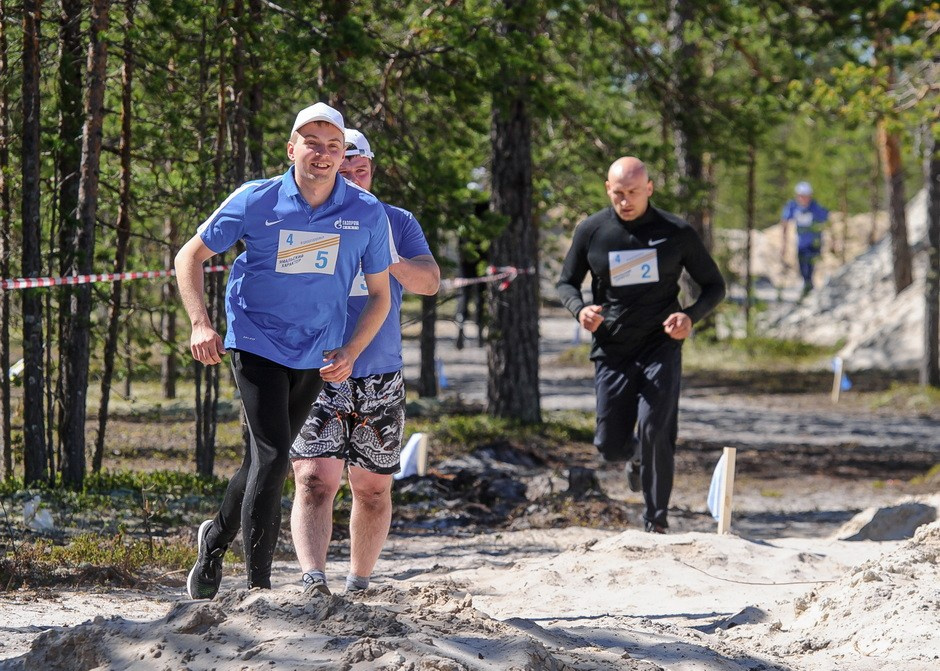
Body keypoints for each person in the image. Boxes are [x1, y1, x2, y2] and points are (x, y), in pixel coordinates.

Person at [176, 103, 393, 600]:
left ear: (343, 157)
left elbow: (380, 295)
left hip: (316, 352)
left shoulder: (365, 213)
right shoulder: (257, 199)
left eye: (333, 146)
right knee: (276, 456)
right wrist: (200, 323)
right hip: (256, 340)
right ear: (291, 148)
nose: (322, 153)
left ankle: (214, 540)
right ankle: (259, 589)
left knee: (260, 461)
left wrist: (352, 350)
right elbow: (189, 256)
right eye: (312, 143)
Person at [289, 128, 440, 595]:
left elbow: (430, 282)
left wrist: (384, 254)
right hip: (316, 368)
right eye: (345, 170)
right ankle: (313, 581)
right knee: (315, 479)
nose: (355, 179)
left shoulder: (396, 220)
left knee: (373, 489)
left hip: (378, 372)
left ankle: (359, 583)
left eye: (363, 170)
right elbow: (287, 289)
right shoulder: (309, 216)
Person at [556, 156, 725, 534]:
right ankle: (633, 457)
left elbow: (715, 285)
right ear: (607, 189)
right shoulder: (592, 231)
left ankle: (656, 520)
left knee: (655, 429)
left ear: (649, 188)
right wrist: (579, 309)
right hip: (613, 349)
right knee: (609, 446)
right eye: (618, 194)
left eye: (633, 192)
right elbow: (566, 282)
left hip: (659, 345)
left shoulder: (676, 232)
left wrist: (690, 317)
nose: (626, 201)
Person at [780, 181, 828, 295]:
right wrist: (784, 241)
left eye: (805, 196)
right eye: (800, 196)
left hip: (814, 242)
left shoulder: (815, 207)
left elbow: (826, 219)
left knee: (810, 266)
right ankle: (806, 286)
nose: (802, 199)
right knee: (802, 266)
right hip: (801, 243)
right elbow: (785, 220)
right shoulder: (793, 206)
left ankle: (808, 286)